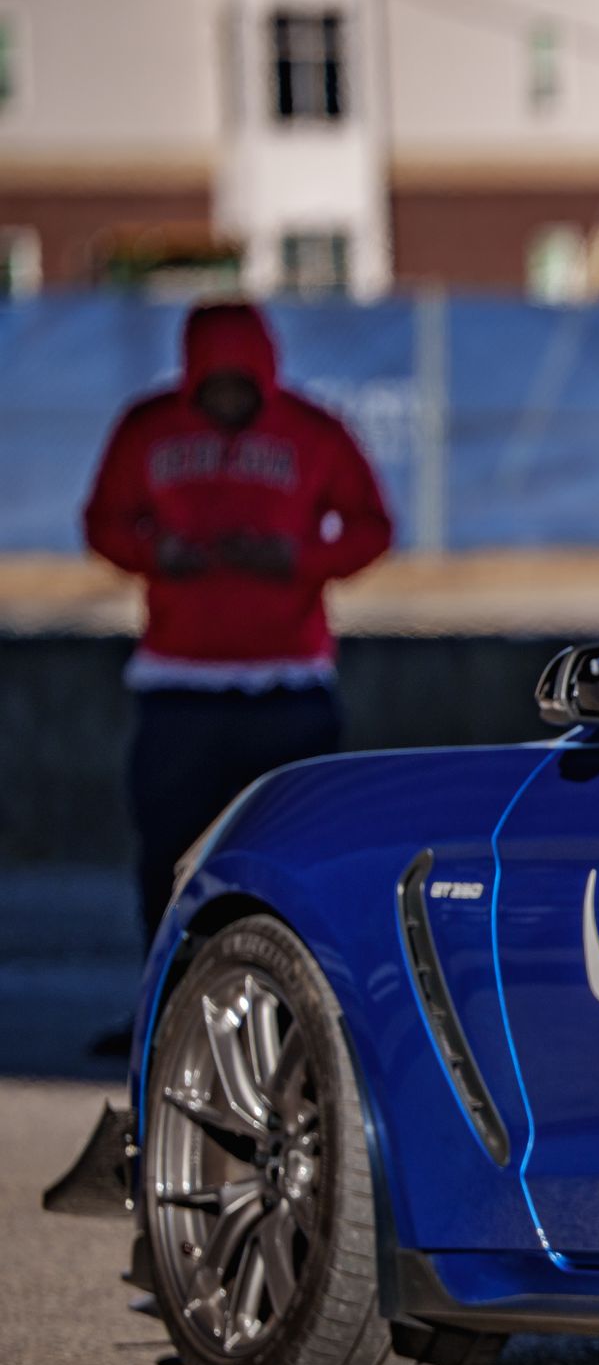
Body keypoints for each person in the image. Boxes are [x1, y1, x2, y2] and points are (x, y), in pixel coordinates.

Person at [83, 301, 394, 970]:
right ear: (192, 375)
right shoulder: (148, 428)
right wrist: (158, 553)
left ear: (267, 372)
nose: (228, 398)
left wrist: (298, 558)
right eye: (214, 384)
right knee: (169, 853)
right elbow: (103, 521)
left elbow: (372, 526)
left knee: (289, 853)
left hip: (288, 686)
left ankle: (286, 1003)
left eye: (241, 383)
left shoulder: (313, 431)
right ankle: (165, 1003)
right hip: (178, 687)